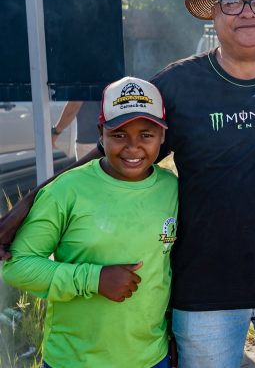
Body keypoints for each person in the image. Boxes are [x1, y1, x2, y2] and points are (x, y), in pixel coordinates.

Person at [0, 0, 255, 368]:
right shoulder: (177, 84)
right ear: (214, 16)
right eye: (231, 3)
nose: (247, 13)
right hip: (206, 297)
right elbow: (109, 152)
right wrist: (28, 204)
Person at [2, 77, 177, 368]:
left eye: (146, 135)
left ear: (162, 135)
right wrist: (93, 279)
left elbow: (168, 270)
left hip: (151, 358)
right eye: (119, 135)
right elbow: (18, 267)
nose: (133, 147)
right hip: (75, 360)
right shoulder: (64, 191)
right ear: (101, 134)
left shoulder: (170, 188)